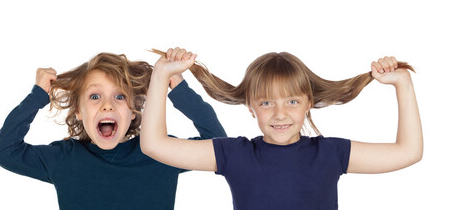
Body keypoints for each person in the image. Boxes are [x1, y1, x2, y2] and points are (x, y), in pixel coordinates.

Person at [141, 48, 423, 209]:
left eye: (291, 101)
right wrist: (161, 74)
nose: (280, 114)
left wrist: (403, 84)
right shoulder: (235, 154)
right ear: (250, 106)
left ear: (308, 103)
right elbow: (153, 144)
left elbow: (409, 152)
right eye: (266, 102)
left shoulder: (330, 153)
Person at [0, 51, 227, 210]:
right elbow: (4, 150)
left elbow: (218, 147)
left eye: (120, 96)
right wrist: (37, 95)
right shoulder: (63, 159)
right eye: (95, 96)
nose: (107, 104)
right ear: (79, 111)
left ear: (134, 110)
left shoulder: (160, 153)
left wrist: (176, 84)